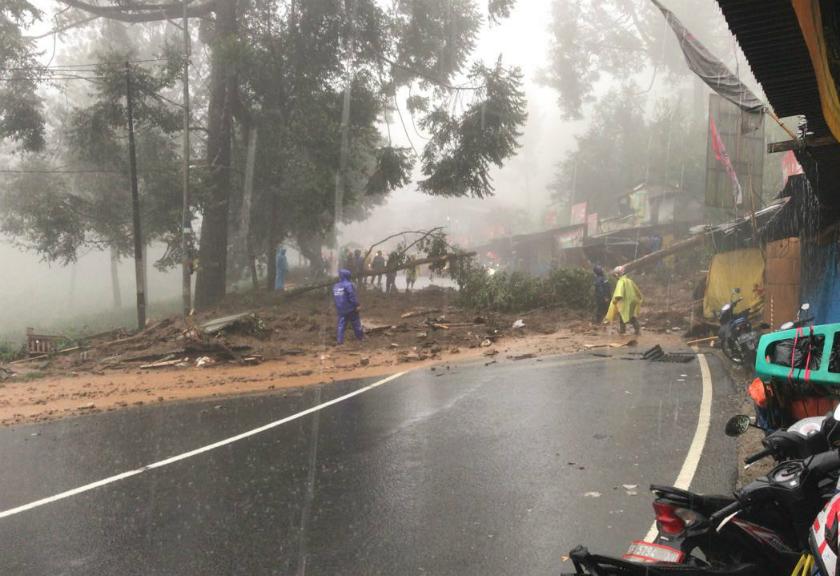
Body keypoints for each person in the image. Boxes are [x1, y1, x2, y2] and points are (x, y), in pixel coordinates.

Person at [604, 265, 643, 335]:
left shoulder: (621, 282)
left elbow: (619, 295)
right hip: (632, 302)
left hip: (625, 303)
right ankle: (636, 330)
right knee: (630, 316)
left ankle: (623, 331)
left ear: (617, 274)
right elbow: (636, 291)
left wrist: (615, 301)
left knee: (624, 316)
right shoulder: (629, 281)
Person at [333, 268, 364, 345]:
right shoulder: (349, 285)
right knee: (356, 323)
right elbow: (352, 297)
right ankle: (360, 338)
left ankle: (340, 341)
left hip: (340, 309)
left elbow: (336, 298)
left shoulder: (336, 286)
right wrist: (357, 305)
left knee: (341, 325)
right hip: (350, 308)